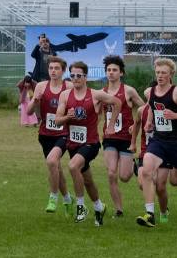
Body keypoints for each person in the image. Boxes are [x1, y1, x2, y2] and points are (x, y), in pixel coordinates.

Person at [53, 61, 120, 225]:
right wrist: (68, 117)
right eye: (73, 75)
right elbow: (57, 121)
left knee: (72, 166)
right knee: (87, 180)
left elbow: (117, 102)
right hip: (73, 144)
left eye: (79, 76)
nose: (75, 79)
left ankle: (81, 206)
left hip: (91, 143)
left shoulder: (96, 95)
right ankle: (99, 207)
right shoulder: (65, 96)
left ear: (85, 77)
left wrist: (110, 126)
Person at [137, 58, 177, 227]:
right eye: (157, 72)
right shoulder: (151, 91)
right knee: (147, 171)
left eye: (163, 72)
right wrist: (149, 122)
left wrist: (176, 116)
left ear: (171, 74)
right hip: (159, 141)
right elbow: (152, 106)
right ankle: (150, 214)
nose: (160, 76)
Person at [99, 55, 145, 218]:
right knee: (111, 173)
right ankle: (119, 209)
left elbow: (145, 108)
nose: (111, 73)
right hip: (109, 138)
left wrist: (137, 122)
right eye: (109, 70)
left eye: (114, 70)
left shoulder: (128, 91)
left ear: (121, 73)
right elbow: (94, 112)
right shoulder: (102, 93)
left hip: (126, 137)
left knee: (124, 177)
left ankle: (133, 165)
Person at [29, 56, 72, 215]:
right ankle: (67, 198)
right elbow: (29, 112)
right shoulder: (40, 86)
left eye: (57, 68)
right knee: (56, 168)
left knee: (52, 161)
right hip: (45, 134)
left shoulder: (69, 86)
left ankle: (53, 197)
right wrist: (35, 101)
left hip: (64, 133)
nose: (53, 71)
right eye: (51, 68)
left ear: (63, 70)